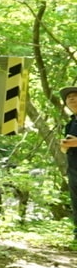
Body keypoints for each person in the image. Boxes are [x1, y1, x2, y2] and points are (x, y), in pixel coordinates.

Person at [60, 85, 77, 242]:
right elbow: (66, 148)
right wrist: (65, 145)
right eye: (68, 97)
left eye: (75, 95)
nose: (71, 98)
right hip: (73, 169)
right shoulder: (70, 124)